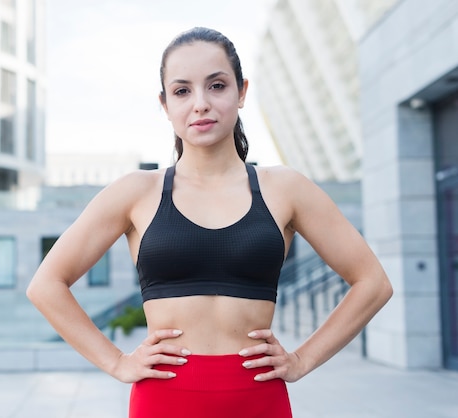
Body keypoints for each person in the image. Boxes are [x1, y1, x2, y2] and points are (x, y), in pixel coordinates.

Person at [26, 27, 392, 418]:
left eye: (216, 85)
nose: (200, 104)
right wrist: (117, 361)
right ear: (165, 105)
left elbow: (373, 283)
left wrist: (302, 359)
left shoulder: (286, 188)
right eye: (182, 91)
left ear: (242, 91)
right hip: (164, 399)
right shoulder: (136, 191)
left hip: (258, 398)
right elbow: (46, 285)